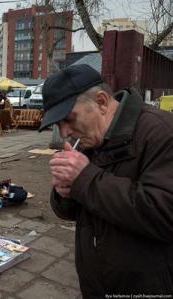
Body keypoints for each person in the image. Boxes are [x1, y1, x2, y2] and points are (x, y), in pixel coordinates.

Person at [39, 64, 173, 297]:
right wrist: (64, 193)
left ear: (101, 102)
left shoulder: (162, 132)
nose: (64, 133)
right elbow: (77, 210)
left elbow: (165, 214)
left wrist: (84, 178)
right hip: (97, 282)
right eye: (58, 125)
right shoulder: (90, 139)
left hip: (146, 287)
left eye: (69, 119)